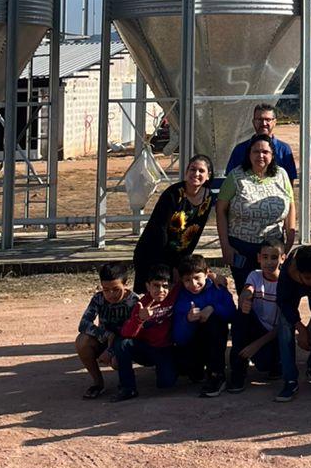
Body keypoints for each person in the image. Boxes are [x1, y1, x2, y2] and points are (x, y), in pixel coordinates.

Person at [216, 135, 297, 290]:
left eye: (265, 152)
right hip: (242, 248)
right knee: (247, 293)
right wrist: (225, 246)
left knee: (273, 292)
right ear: (249, 154)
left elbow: (291, 204)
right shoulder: (236, 176)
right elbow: (220, 210)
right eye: (256, 151)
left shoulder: (282, 175)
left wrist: (290, 238)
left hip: (273, 247)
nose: (261, 155)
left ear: (272, 155)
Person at [131, 154, 216, 291]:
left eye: (201, 171)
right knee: (152, 297)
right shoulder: (173, 194)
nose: (196, 174)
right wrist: (171, 266)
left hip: (178, 258)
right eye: (192, 169)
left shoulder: (208, 197)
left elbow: (196, 232)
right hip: (153, 253)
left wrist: (182, 263)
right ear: (186, 172)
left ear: (208, 175)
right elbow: (160, 230)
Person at [275, 243, 311, 401]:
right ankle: (290, 379)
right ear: (297, 272)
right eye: (308, 278)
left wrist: (309, 328)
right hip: (292, 293)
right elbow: (284, 303)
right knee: (284, 323)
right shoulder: (288, 272)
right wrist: (300, 328)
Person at [171, 254, 236, 396]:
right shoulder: (181, 297)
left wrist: (213, 308)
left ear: (207, 274)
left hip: (214, 337)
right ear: (181, 280)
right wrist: (187, 319)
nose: (193, 284)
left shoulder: (218, 289)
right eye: (187, 280)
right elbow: (178, 337)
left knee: (214, 321)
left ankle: (217, 374)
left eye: (196, 278)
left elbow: (232, 313)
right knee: (187, 371)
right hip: (193, 340)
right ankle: (198, 369)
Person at [113, 266, 178, 400]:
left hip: (165, 348)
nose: (161, 290)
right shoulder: (141, 305)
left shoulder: (174, 295)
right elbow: (127, 333)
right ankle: (128, 388)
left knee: (166, 384)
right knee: (122, 343)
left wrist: (212, 276)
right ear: (148, 286)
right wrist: (140, 319)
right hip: (146, 349)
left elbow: (194, 272)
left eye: (165, 286)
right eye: (156, 285)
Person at [75, 262, 139, 398]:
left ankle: (126, 382)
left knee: (117, 361)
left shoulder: (134, 301)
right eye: (106, 289)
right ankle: (98, 383)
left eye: (116, 289)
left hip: (123, 343)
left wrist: (111, 350)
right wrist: (106, 335)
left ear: (126, 284)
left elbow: (133, 333)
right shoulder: (98, 298)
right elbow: (83, 324)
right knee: (82, 341)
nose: (111, 294)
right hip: (104, 339)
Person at [229, 239, 284, 391]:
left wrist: (255, 346)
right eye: (265, 257)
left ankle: (277, 363)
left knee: (264, 364)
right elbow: (247, 290)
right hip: (256, 328)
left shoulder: (285, 283)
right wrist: (244, 298)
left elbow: (283, 326)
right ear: (259, 258)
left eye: (274, 258)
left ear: (282, 258)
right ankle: (238, 372)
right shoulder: (255, 275)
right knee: (241, 314)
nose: (269, 262)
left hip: (273, 335)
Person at [226, 104, 297, 183]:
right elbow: (231, 178)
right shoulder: (240, 149)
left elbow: (289, 180)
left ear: (275, 122)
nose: (263, 123)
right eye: (259, 119)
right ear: (253, 122)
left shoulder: (284, 149)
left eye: (268, 119)